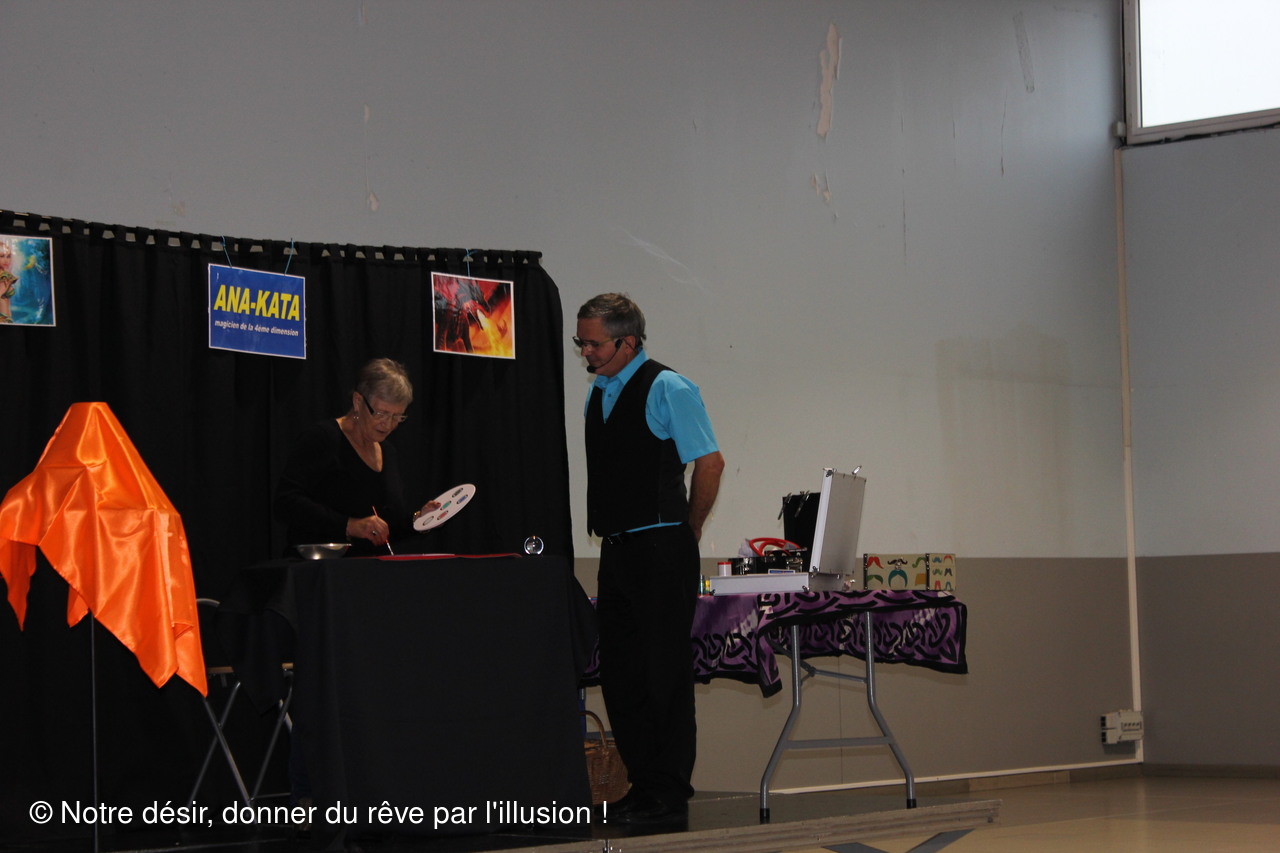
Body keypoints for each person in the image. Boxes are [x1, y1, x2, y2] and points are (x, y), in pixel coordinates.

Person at [576, 293, 725, 825]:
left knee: (663, 674)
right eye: (581, 343)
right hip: (617, 551)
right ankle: (642, 784)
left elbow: (710, 462)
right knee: (622, 674)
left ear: (628, 342)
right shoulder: (598, 393)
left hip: (662, 548)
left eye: (593, 343)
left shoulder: (669, 387)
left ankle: (669, 791)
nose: (586, 352)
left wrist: (691, 528)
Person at [275, 358, 438, 557]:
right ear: (358, 402)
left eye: (397, 417)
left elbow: (386, 528)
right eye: (381, 413)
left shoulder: (388, 452)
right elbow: (286, 502)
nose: (388, 424)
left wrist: (420, 520)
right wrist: (349, 525)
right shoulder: (323, 439)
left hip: (368, 569)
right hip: (322, 567)